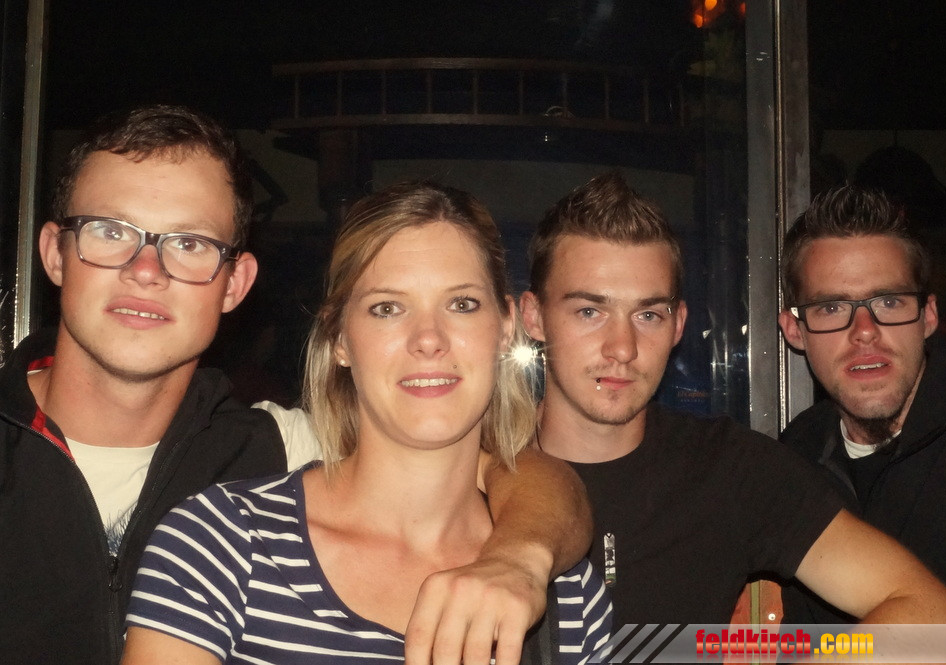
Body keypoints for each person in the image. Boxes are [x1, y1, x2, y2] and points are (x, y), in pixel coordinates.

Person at [0, 106, 592, 665]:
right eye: (110, 231)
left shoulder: (271, 442)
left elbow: (514, 473)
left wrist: (519, 558)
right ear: (54, 252)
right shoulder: (222, 530)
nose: (146, 270)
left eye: (189, 243)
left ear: (236, 283)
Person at [121, 181, 613, 664]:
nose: (428, 339)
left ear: (505, 327)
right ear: (339, 339)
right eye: (387, 308)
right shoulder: (223, 545)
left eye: (461, 304)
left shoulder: (563, 592)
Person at [518, 172, 946, 627]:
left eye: (649, 314)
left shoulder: (730, 468)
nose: (623, 348)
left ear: (678, 325)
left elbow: (936, 620)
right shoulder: (484, 468)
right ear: (534, 317)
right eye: (589, 311)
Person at [778, 184, 946, 623]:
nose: (864, 330)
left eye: (889, 301)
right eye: (832, 307)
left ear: (928, 316)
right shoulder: (793, 457)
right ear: (794, 331)